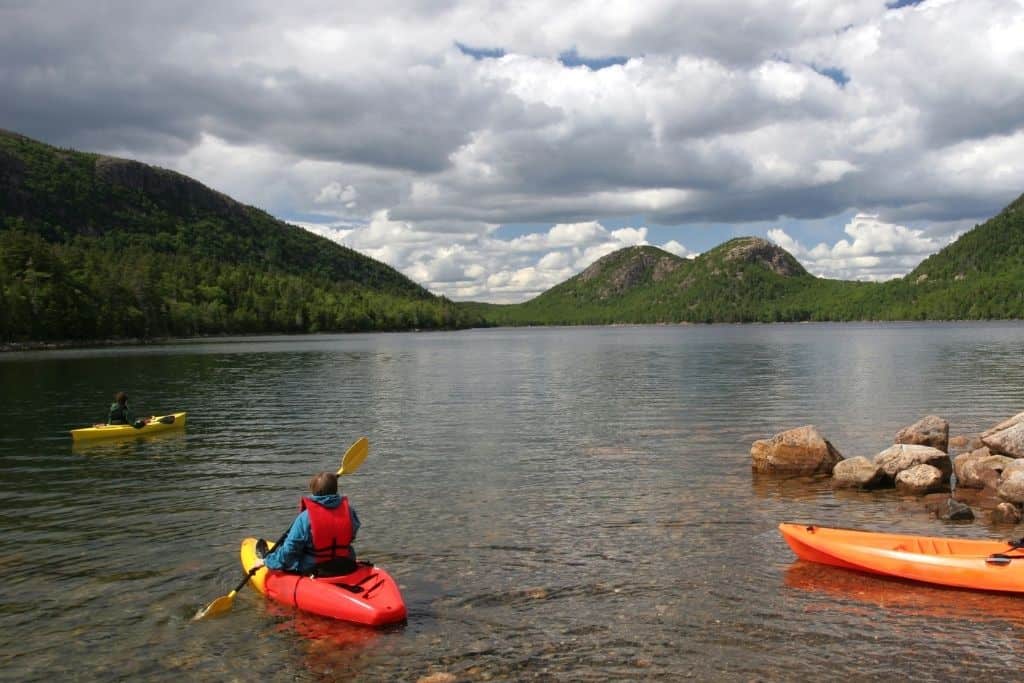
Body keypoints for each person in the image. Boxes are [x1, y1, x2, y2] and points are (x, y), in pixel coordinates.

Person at [253, 471, 361, 577]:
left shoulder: (305, 518)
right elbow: (351, 536)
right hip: (346, 563)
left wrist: (267, 562)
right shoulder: (349, 511)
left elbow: (290, 551)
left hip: (315, 568)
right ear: (335, 490)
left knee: (291, 554)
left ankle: (272, 558)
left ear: (313, 491)